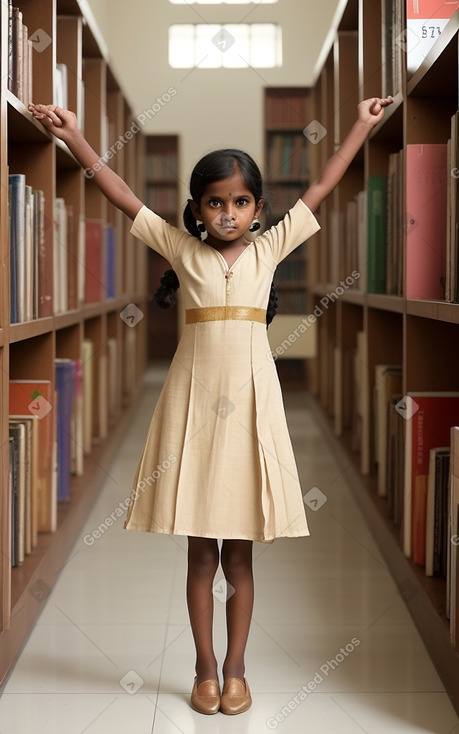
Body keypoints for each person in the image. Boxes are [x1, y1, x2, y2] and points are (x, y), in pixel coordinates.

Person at [29, 95, 392, 716]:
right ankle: (202, 670)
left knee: (241, 553)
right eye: (216, 202)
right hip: (192, 412)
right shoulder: (179, 249)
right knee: (200, 551)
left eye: (241, 202)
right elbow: (118, 190)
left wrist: (362, 125)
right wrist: (75, 139)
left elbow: (326, 180)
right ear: (196, 209)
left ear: (258, 209)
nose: (229, 213)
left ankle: (236, 670)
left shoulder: (270, 248)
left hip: (253, 410)